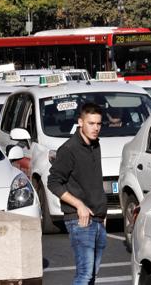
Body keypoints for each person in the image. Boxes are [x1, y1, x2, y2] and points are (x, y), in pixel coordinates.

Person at [47, 103, 107, 285]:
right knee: (85, 274)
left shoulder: (95, 145)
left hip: (97, 218)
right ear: (80, 122)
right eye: (91, 123)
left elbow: (93, 183)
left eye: (98, 124)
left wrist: (102, 213)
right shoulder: (69, 149)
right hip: (79, 220)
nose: (96, 128)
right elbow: (53, 182)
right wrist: (79, 205)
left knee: (92, 275)